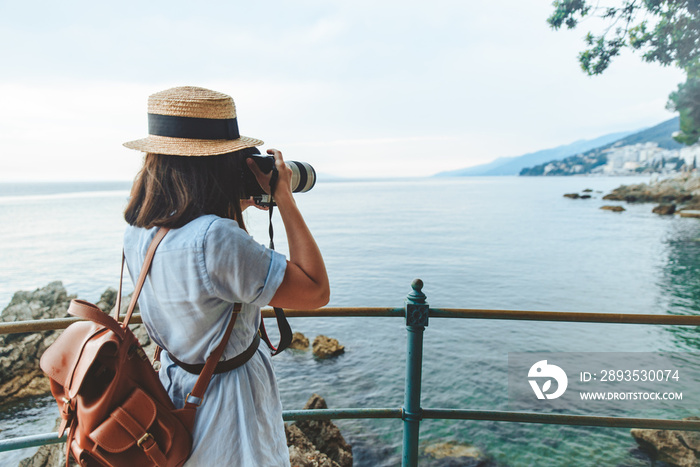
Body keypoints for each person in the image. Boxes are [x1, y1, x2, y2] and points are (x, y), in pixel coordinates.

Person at [121, 86, 329, 466]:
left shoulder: (138, 231)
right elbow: (315, 290)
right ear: (218, 162)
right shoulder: (216, 238)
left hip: (175, 392)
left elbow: (209, 282)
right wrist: (283, 198)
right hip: (229, 408)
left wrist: (227, 206)